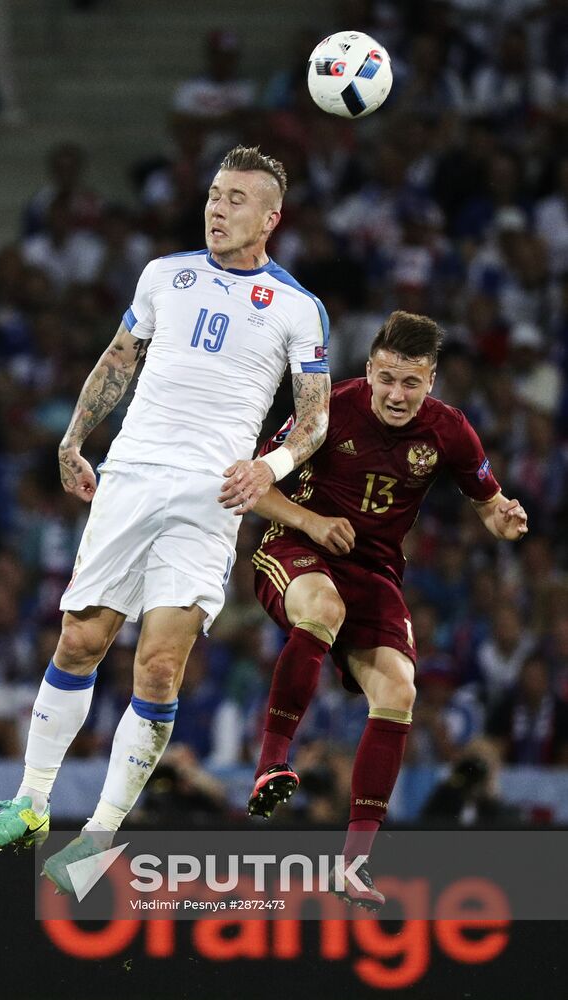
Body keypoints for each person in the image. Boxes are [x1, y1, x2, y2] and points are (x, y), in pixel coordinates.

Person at [0, 145, 331, 893]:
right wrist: (73, 438)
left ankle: (96, 842)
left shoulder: (297, 306)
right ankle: (31, 803)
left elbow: (314, 421)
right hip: (131, 475)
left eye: (236, 199)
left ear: (270, 216)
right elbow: (119, 358)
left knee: (159, 664)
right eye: (213, 195)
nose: (218, 209)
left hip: (209, 497)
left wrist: (271, 469)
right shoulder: (165, 274)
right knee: (80, 638)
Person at [246, 310, 528, 911]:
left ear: (432, 381)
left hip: (373, 571)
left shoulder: (450, 431)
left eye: (412, 383)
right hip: (298, 542)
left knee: (400, 691)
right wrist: (312, 522)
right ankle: (271, 764)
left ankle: (354, 865)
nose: (397, 395)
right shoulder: (329, 409)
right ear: (370, 370)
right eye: (387, 378)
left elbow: (490, 501)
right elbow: (255, 486)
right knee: (320, 607)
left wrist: (502, 518)